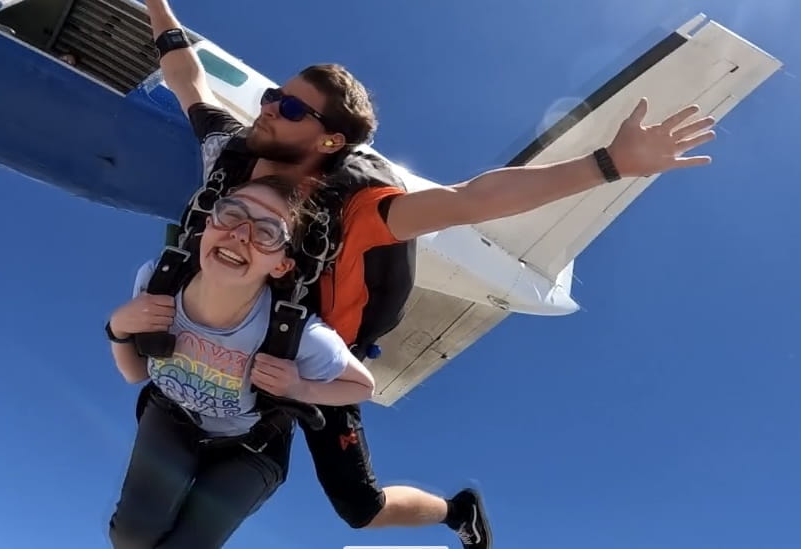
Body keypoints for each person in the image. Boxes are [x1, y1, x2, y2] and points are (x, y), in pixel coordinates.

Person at [141, 2, 718, 548]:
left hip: (308, 356)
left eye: (291, 108)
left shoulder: (357, 208)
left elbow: (471, 200)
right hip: (219, 338)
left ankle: (455, 510)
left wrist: (607, 164)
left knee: (359, 506)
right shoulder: (228, 151)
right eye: (273, 97)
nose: (269, 108)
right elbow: (187, 76)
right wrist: (160, 8)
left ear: (330, 140)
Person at [105, 175, 378, 549]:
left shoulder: (296, 332)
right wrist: (118, 327)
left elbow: (363, 385)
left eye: (267, 232)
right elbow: (135, 373)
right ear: (206, 225)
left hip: (252, 447)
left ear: (281, 265)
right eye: (231, 214)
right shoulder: (159, 282)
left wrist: (300, 389)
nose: (240, 234)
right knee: (130, 536)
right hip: (172, 415)